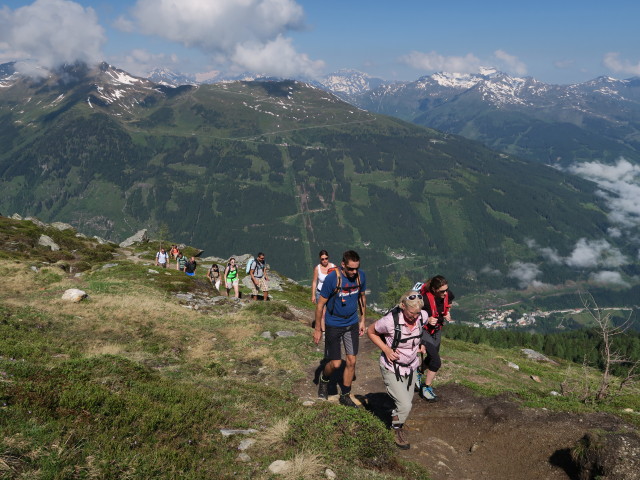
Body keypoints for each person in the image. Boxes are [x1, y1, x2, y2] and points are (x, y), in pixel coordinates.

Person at [367, 291, 427, 449]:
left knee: (405, 403)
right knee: (406, 405)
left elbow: (422, 330)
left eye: (417, 314)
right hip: (392, 368)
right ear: (402, 306)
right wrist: (386, 349)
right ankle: (396, 430)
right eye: (411, 313)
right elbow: (371, 331)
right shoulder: (389, 321)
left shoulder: (422, 316)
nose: (414, 317)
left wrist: (420, 344)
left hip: (411, 367)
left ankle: (395, 419)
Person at [313, 250, 366, 407]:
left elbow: (362, 297)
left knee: (351, 360)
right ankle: (324, 379)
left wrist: (362, 320)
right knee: (335, 363)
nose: (353, 272)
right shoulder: (332, 278)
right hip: (334, 324)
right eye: (350, 269)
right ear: (343, 264)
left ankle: (345, 395)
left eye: (356, 268)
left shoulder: (360, 276)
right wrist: (317, 329)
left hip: (351, 323)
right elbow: (320, 304)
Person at [418, 275, 455, 401]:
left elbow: (449, 302)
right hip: (423, 331)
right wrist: (427, 319)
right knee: (436, 361)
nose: (445, 293)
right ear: (434, 289)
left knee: (432, 356)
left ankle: (418, 372)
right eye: (442, 291)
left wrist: (447, 312)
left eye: (446, 290)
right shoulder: (423, 299)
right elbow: (412, 314)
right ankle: (426, 387)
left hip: (437, 329)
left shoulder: (447, 294)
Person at [310, 250, 337, 333]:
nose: (325, 261)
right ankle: (324, 331)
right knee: (322, 311)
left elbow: (338, 280)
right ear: (320, 259)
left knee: (332, 310)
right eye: (322, 259)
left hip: (331, 293)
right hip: (320, 292)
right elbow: (314, 281)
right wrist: (313, 295)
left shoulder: (333, 267)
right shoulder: (317, 268)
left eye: (326, 258)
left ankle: (332, 328)